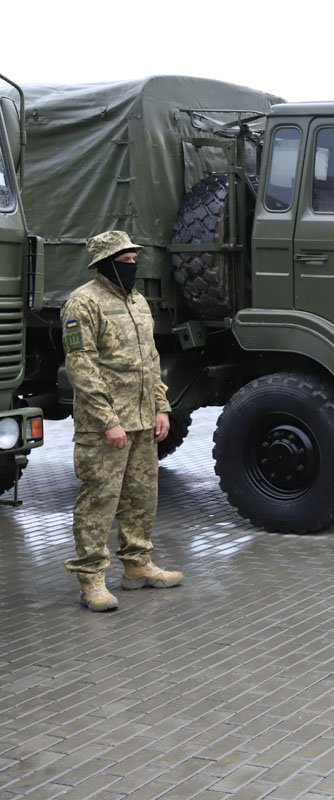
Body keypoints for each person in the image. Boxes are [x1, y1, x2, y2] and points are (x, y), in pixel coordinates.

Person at [62, 231, 181, 612]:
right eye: (126, 260)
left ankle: (137, 566)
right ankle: (92, 579)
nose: (133, 265)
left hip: (144, 420)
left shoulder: (139, 302)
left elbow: (151, 359)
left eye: (134, 259)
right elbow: (82, 369)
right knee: (99, 500)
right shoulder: (83, 303)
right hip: (106, 426)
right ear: (106, 262)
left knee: (141, 499)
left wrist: (161, 407)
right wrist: (108, 420)